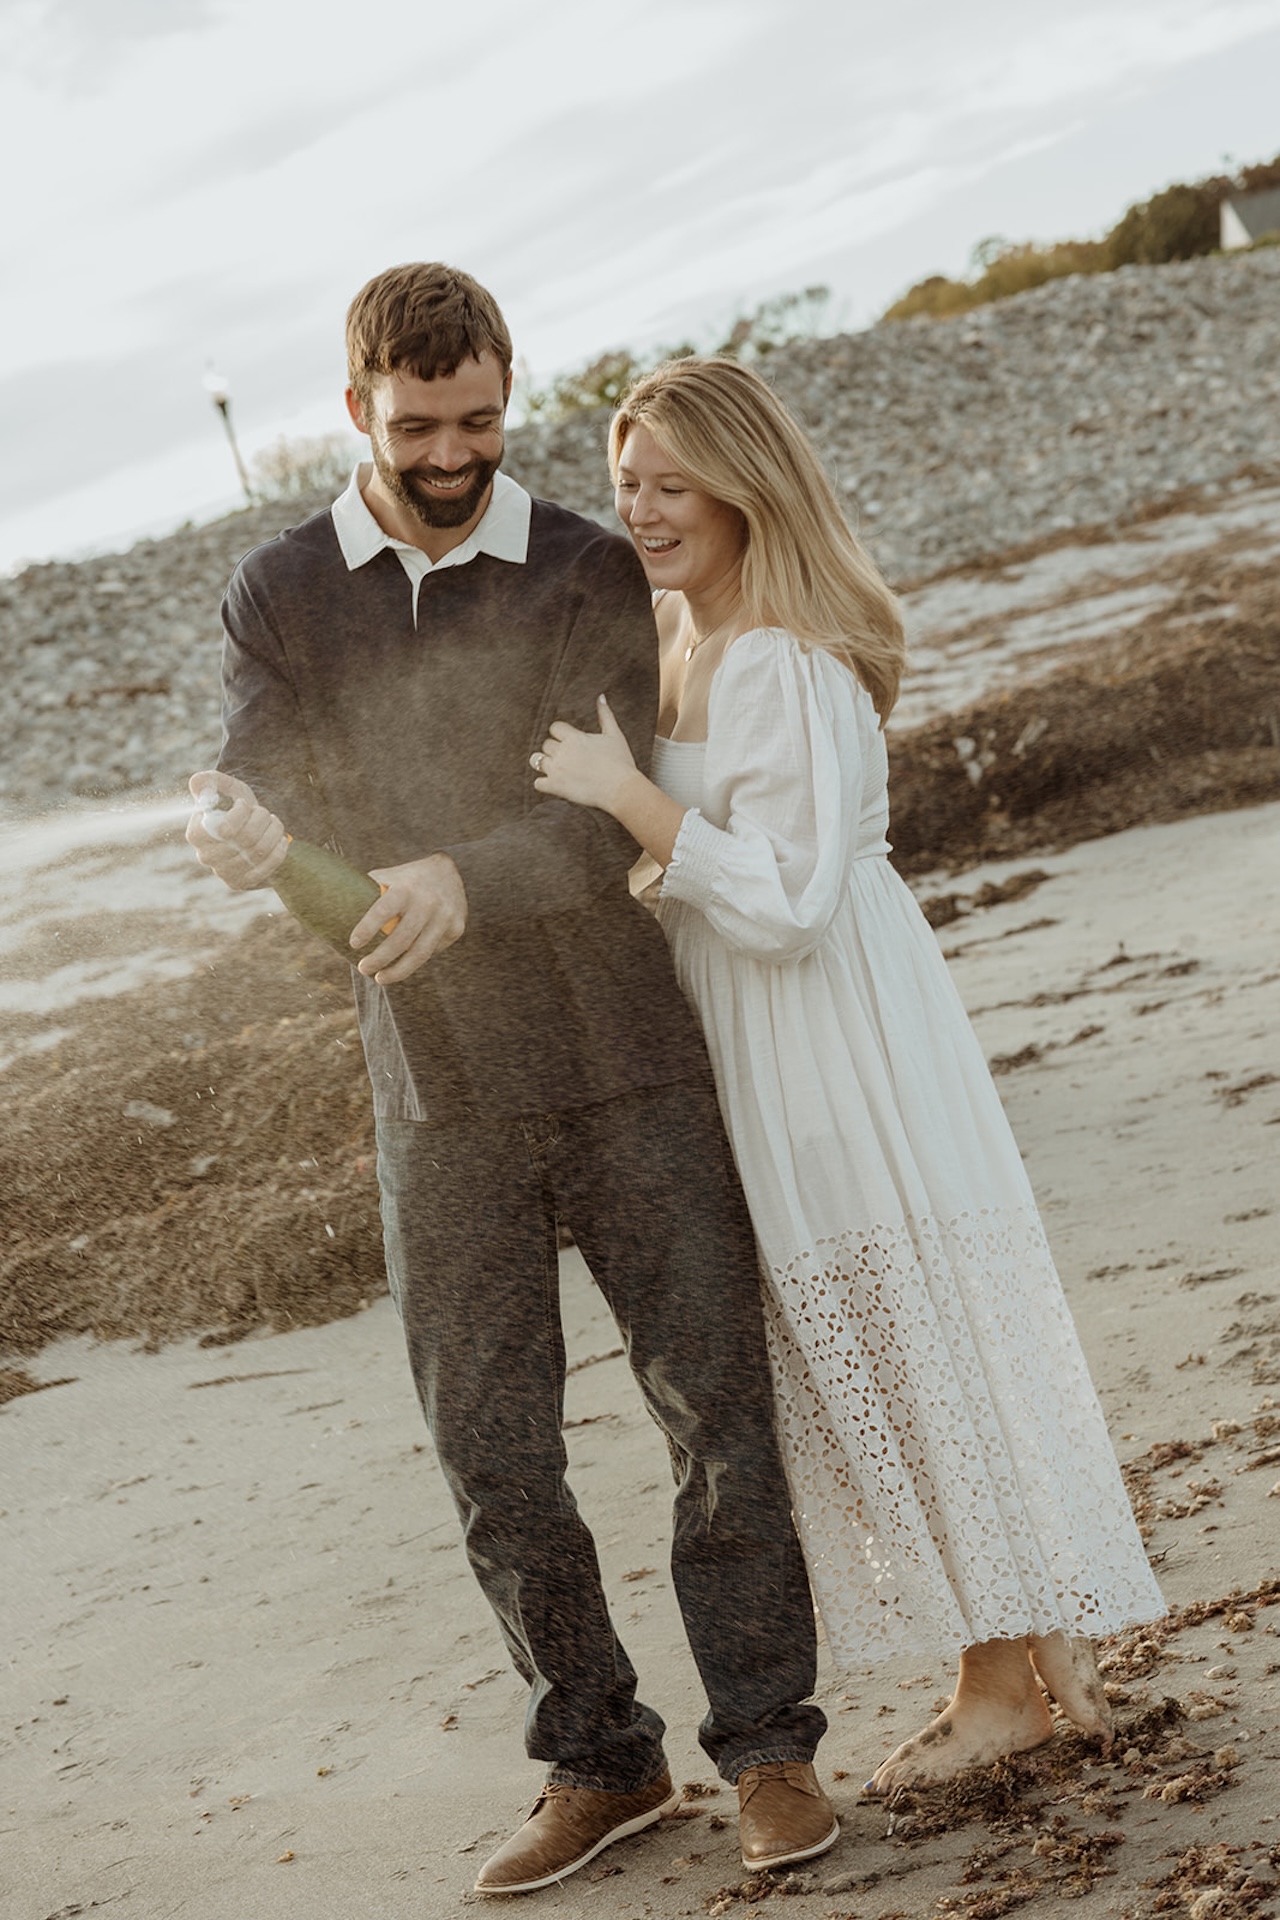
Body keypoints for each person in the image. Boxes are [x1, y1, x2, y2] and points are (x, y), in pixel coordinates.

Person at [185, 268, 838, 1894]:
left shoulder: (582, 567)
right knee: (488, 1445)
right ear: (358, 412)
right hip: (436, 1080)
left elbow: (598, 807)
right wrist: (248, 836)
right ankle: (600, 1762)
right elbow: (262, 772)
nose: (457, 452)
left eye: (481, 419)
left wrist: (466, 879)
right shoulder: (279, 591)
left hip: (627, 1056)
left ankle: (766, 1750)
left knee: (713, 1407)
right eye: (420, 428)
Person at [530, 354, 1166, 1796]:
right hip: (762, 1034)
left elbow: (795, 898)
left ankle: (1000, 1679)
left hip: (828, 1035)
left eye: (673, 482)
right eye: (627, 481)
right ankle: (1036, 1636)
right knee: (894, 1333)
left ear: (745, 486)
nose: (642, 507)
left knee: (895, 1330)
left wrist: (625, 797)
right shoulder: (686, 643)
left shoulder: (778, 654)